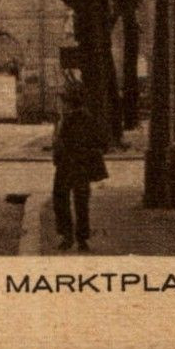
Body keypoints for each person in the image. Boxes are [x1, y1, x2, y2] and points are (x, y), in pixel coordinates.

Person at [52, 83, 108, 251]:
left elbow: (59, 143)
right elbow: (102, 142)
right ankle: (82, 239)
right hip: (82, 166)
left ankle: (67, 236)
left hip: (67, 165)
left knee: (61, 199)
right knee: (81, 202)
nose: (63, 105)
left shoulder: (67, 120)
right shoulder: (88, 118)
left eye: (64, 102)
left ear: (69, 103)